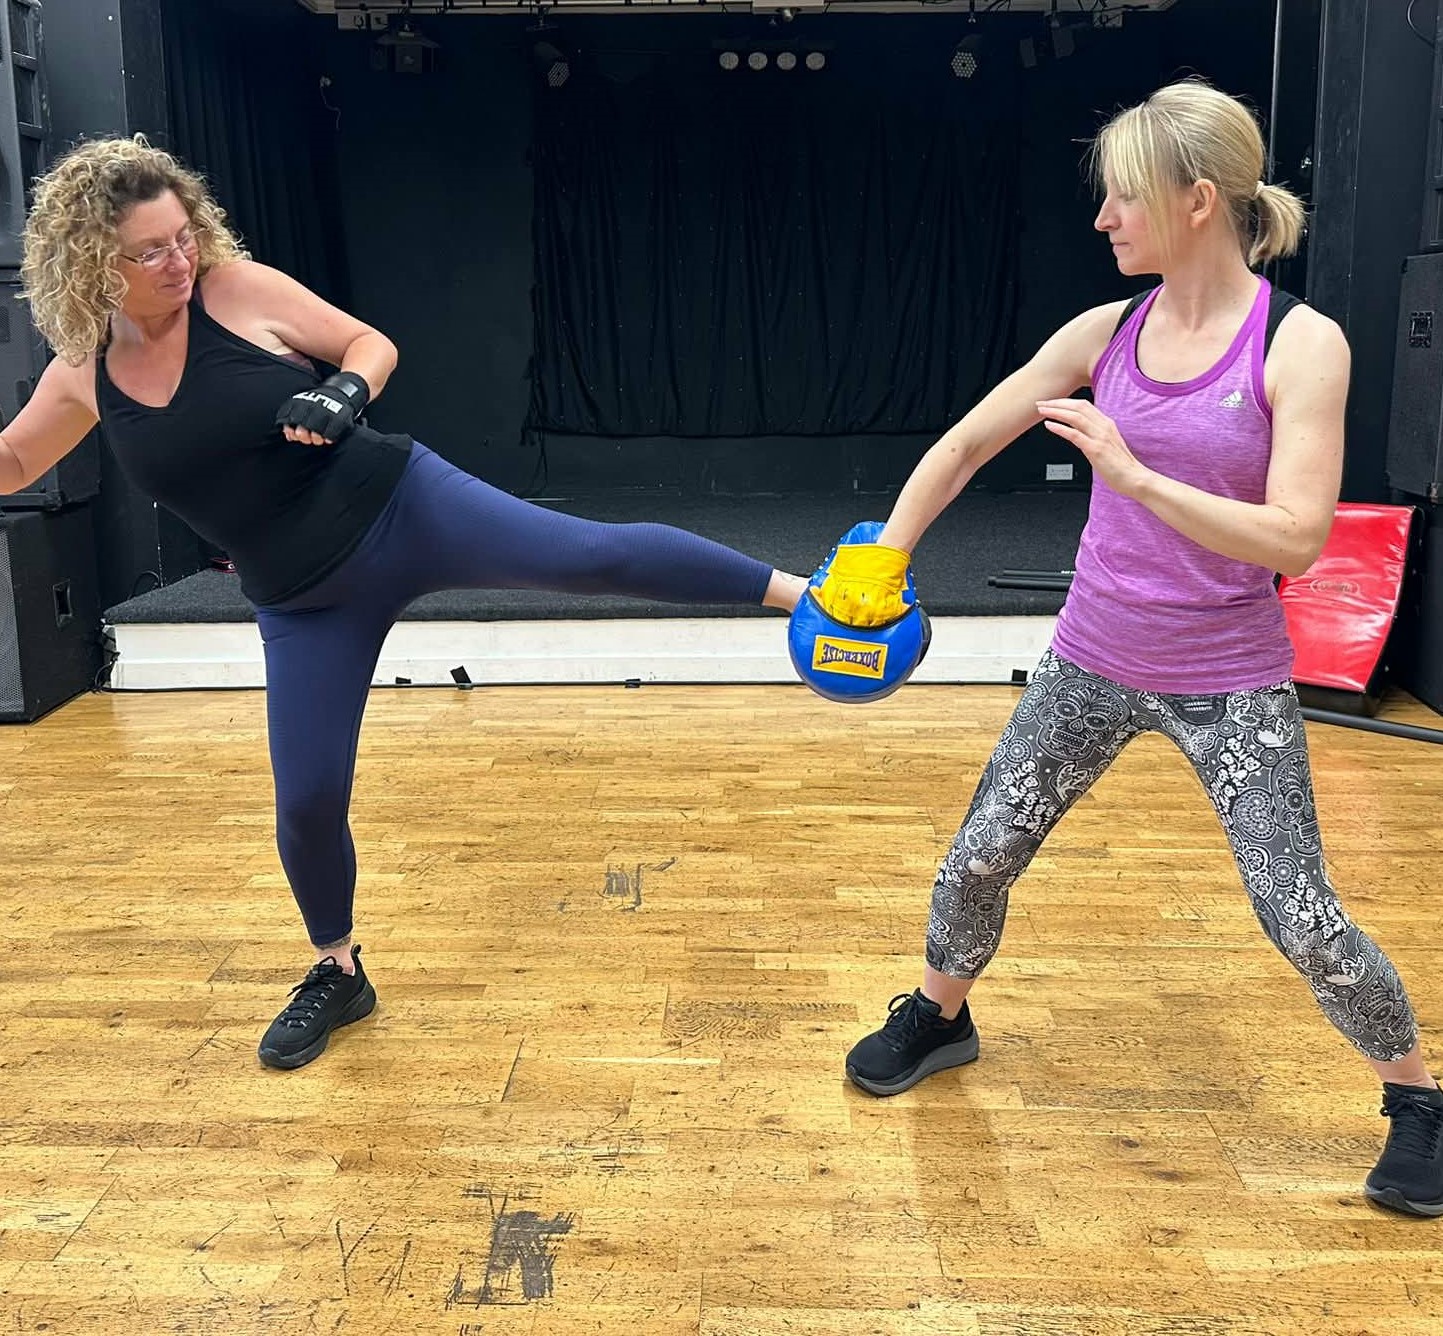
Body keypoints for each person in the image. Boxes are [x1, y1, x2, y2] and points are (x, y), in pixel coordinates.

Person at [7, 135, 807, 1071]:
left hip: (402, 507)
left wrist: (345, 393)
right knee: (306, 800)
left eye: (183, 236)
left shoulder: (239, 290)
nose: (179, 260)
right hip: (302, 600)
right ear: (90, 260)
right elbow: (18, 461)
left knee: (592, 557)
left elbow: (366, 343)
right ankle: (338, 971)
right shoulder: (83, 371)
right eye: (149, 251)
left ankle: (807, 595)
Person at [815, 80, 1442, 1218]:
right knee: (978, 855)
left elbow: (1299, 539)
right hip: (1092, 655)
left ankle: (1420, 1099)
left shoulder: (1302, 345)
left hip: (1229, 676)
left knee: (1298, 913)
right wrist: (885, 554)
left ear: (1198, 201)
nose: (1104, 220)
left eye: (1123, 200)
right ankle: (941, 1015)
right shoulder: (1106, 331)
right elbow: (966, 441)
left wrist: (1139, 475)